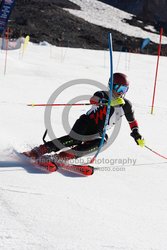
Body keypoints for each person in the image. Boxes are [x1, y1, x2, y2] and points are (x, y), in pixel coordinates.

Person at [24, 73, 145, 161]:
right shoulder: (102, 94)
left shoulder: (126, 105)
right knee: (75, 139)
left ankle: (62, 157)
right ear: (111, 85)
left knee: (102, 141)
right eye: (119, 88)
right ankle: (40, 150)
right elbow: (93, 100)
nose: (121, 92)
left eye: (125, 89)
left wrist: (136, 133)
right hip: (86, 123)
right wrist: (107, 102)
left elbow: (132, 121)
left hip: (99, 130)